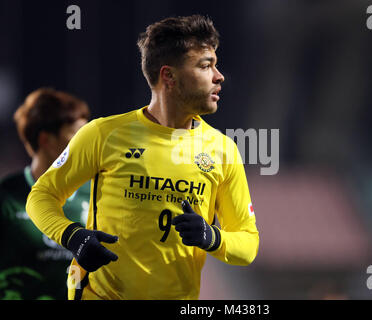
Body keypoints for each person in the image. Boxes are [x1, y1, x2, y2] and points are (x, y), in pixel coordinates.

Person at [26, 15, 259, 300]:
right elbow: (41, 196)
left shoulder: (223, 151)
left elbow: (248, 244)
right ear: (168, 76)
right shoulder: (102, 134)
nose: (219, 76)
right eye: (205, 65)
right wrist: (72, 235)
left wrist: (212, 237)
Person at [0, 88, 91, 300]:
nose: (87, 146)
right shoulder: (7, 197)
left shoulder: (95, 194)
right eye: (78, 137)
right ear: (45, 140)